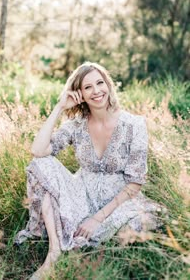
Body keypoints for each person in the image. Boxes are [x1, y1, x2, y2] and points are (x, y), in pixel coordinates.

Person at [15, 62, 161, 279]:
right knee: (41, 165)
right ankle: (55, 252)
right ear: (80, 94)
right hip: (82, 192)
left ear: (108, 85)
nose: (97, 91)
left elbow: (135, 182)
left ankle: (81, 241)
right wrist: (59, 108)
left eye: (100, 83)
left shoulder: (134, 125)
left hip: (119, 199)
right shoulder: (77, 125)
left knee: (135, 228)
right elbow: (39, 150)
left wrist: (97, 219)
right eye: (88, 87)